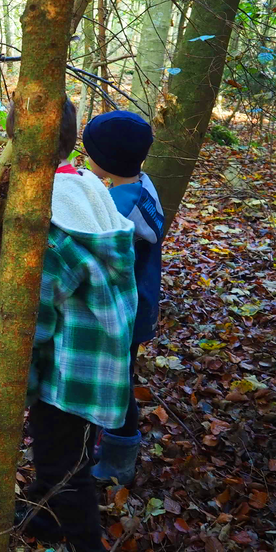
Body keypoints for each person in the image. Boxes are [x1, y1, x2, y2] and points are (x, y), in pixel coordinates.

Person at [9, 99, 137, 552]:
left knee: (67, 469)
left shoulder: (52, 221)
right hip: (99, 356)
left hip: (72, 367)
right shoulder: (85, 184)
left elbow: (35, 317)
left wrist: (20, 379)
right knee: (62, 451)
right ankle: (45, 519)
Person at [83, 111, 163, 486]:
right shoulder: (142, 186)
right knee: (120, 378)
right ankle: (110, 444)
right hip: (136, 304)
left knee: (116, 383)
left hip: (122, 311)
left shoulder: (119, 209)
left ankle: (118, 458)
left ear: (106, 160)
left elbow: (91, 251)